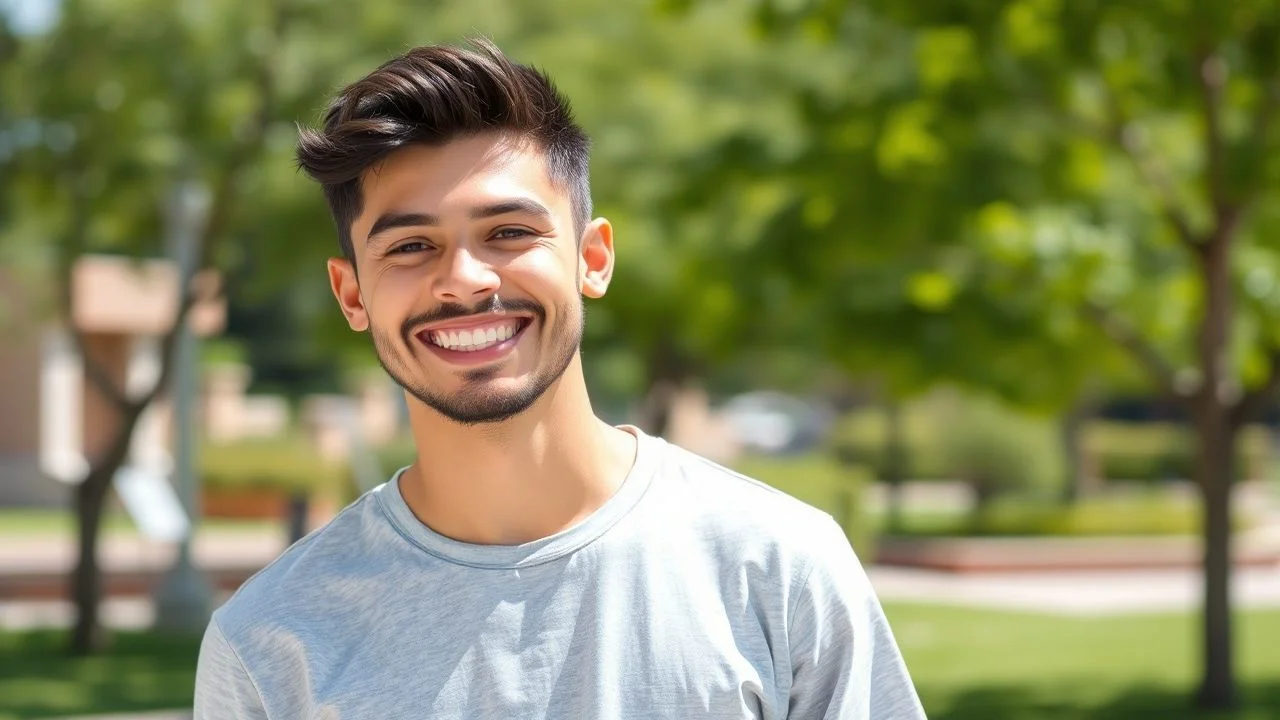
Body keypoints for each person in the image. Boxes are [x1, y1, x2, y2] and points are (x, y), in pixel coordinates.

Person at [193, 39, 926, 720]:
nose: (464, 280)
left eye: (509, 232)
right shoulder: (270, 641)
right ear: (352, 295)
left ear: (593, 257)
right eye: (412, 246)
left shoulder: (779, 566)